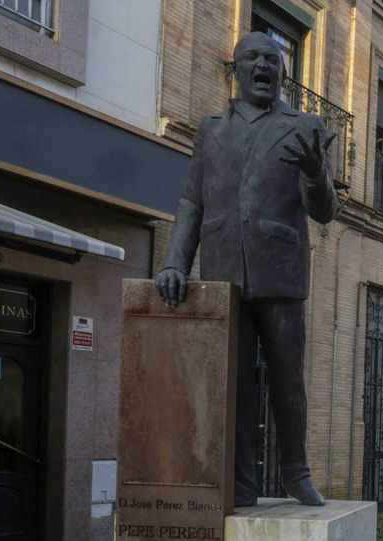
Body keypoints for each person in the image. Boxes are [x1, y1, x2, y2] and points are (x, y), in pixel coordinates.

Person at [156, 32, 337, 508]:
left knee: (286, 379)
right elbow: (191, 200)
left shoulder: (306, 126)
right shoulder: (210, 128)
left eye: (272, 59)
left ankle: (297, 474)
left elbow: (324, 211)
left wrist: (318, 175)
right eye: (252, 58)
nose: (263, 66)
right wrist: (176, 261)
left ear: (283, 72)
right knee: (231, 384)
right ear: (234, 68)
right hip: (223, 273)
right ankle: (241, 484)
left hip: (280, 270)